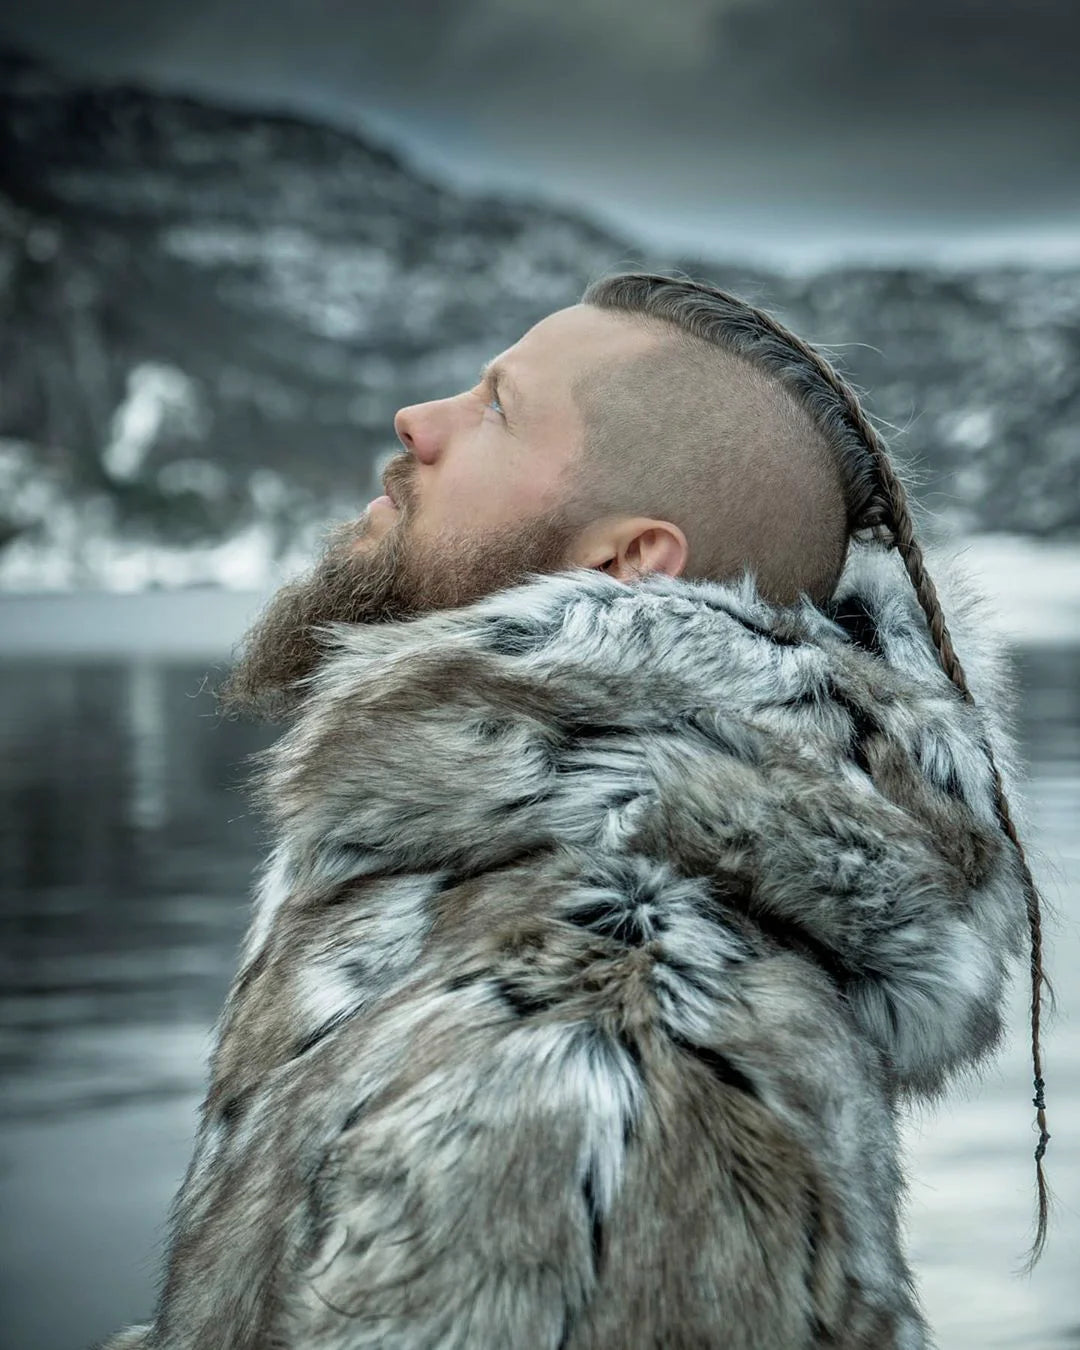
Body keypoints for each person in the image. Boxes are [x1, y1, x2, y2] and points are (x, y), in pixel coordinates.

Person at [103, 273, 1048, 1350]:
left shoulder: (600, 1037)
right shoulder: (481, 882)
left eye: (497, 407)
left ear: (628, 564)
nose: (418, 422)